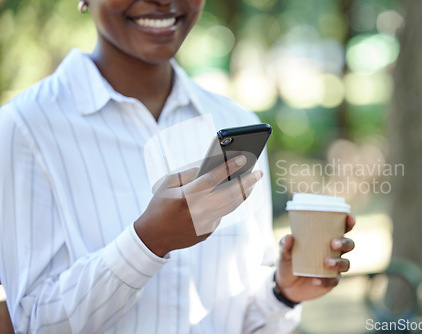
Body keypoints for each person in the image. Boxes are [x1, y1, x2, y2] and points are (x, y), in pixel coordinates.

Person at [0, 0, 355, 333]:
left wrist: (282, 292)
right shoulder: (26, 128)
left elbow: (239, 317)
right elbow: (32, 320)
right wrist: (147, 242)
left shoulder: (233, 120)